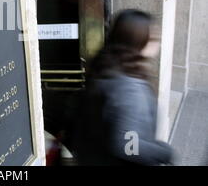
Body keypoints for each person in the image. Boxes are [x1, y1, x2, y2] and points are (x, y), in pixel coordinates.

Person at [74, 9, 174, 165]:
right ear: (138, 41)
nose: (158, 42)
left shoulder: (105, 66)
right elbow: (127, 145)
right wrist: (165, 152)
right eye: (154, 38)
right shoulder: (129, 88)